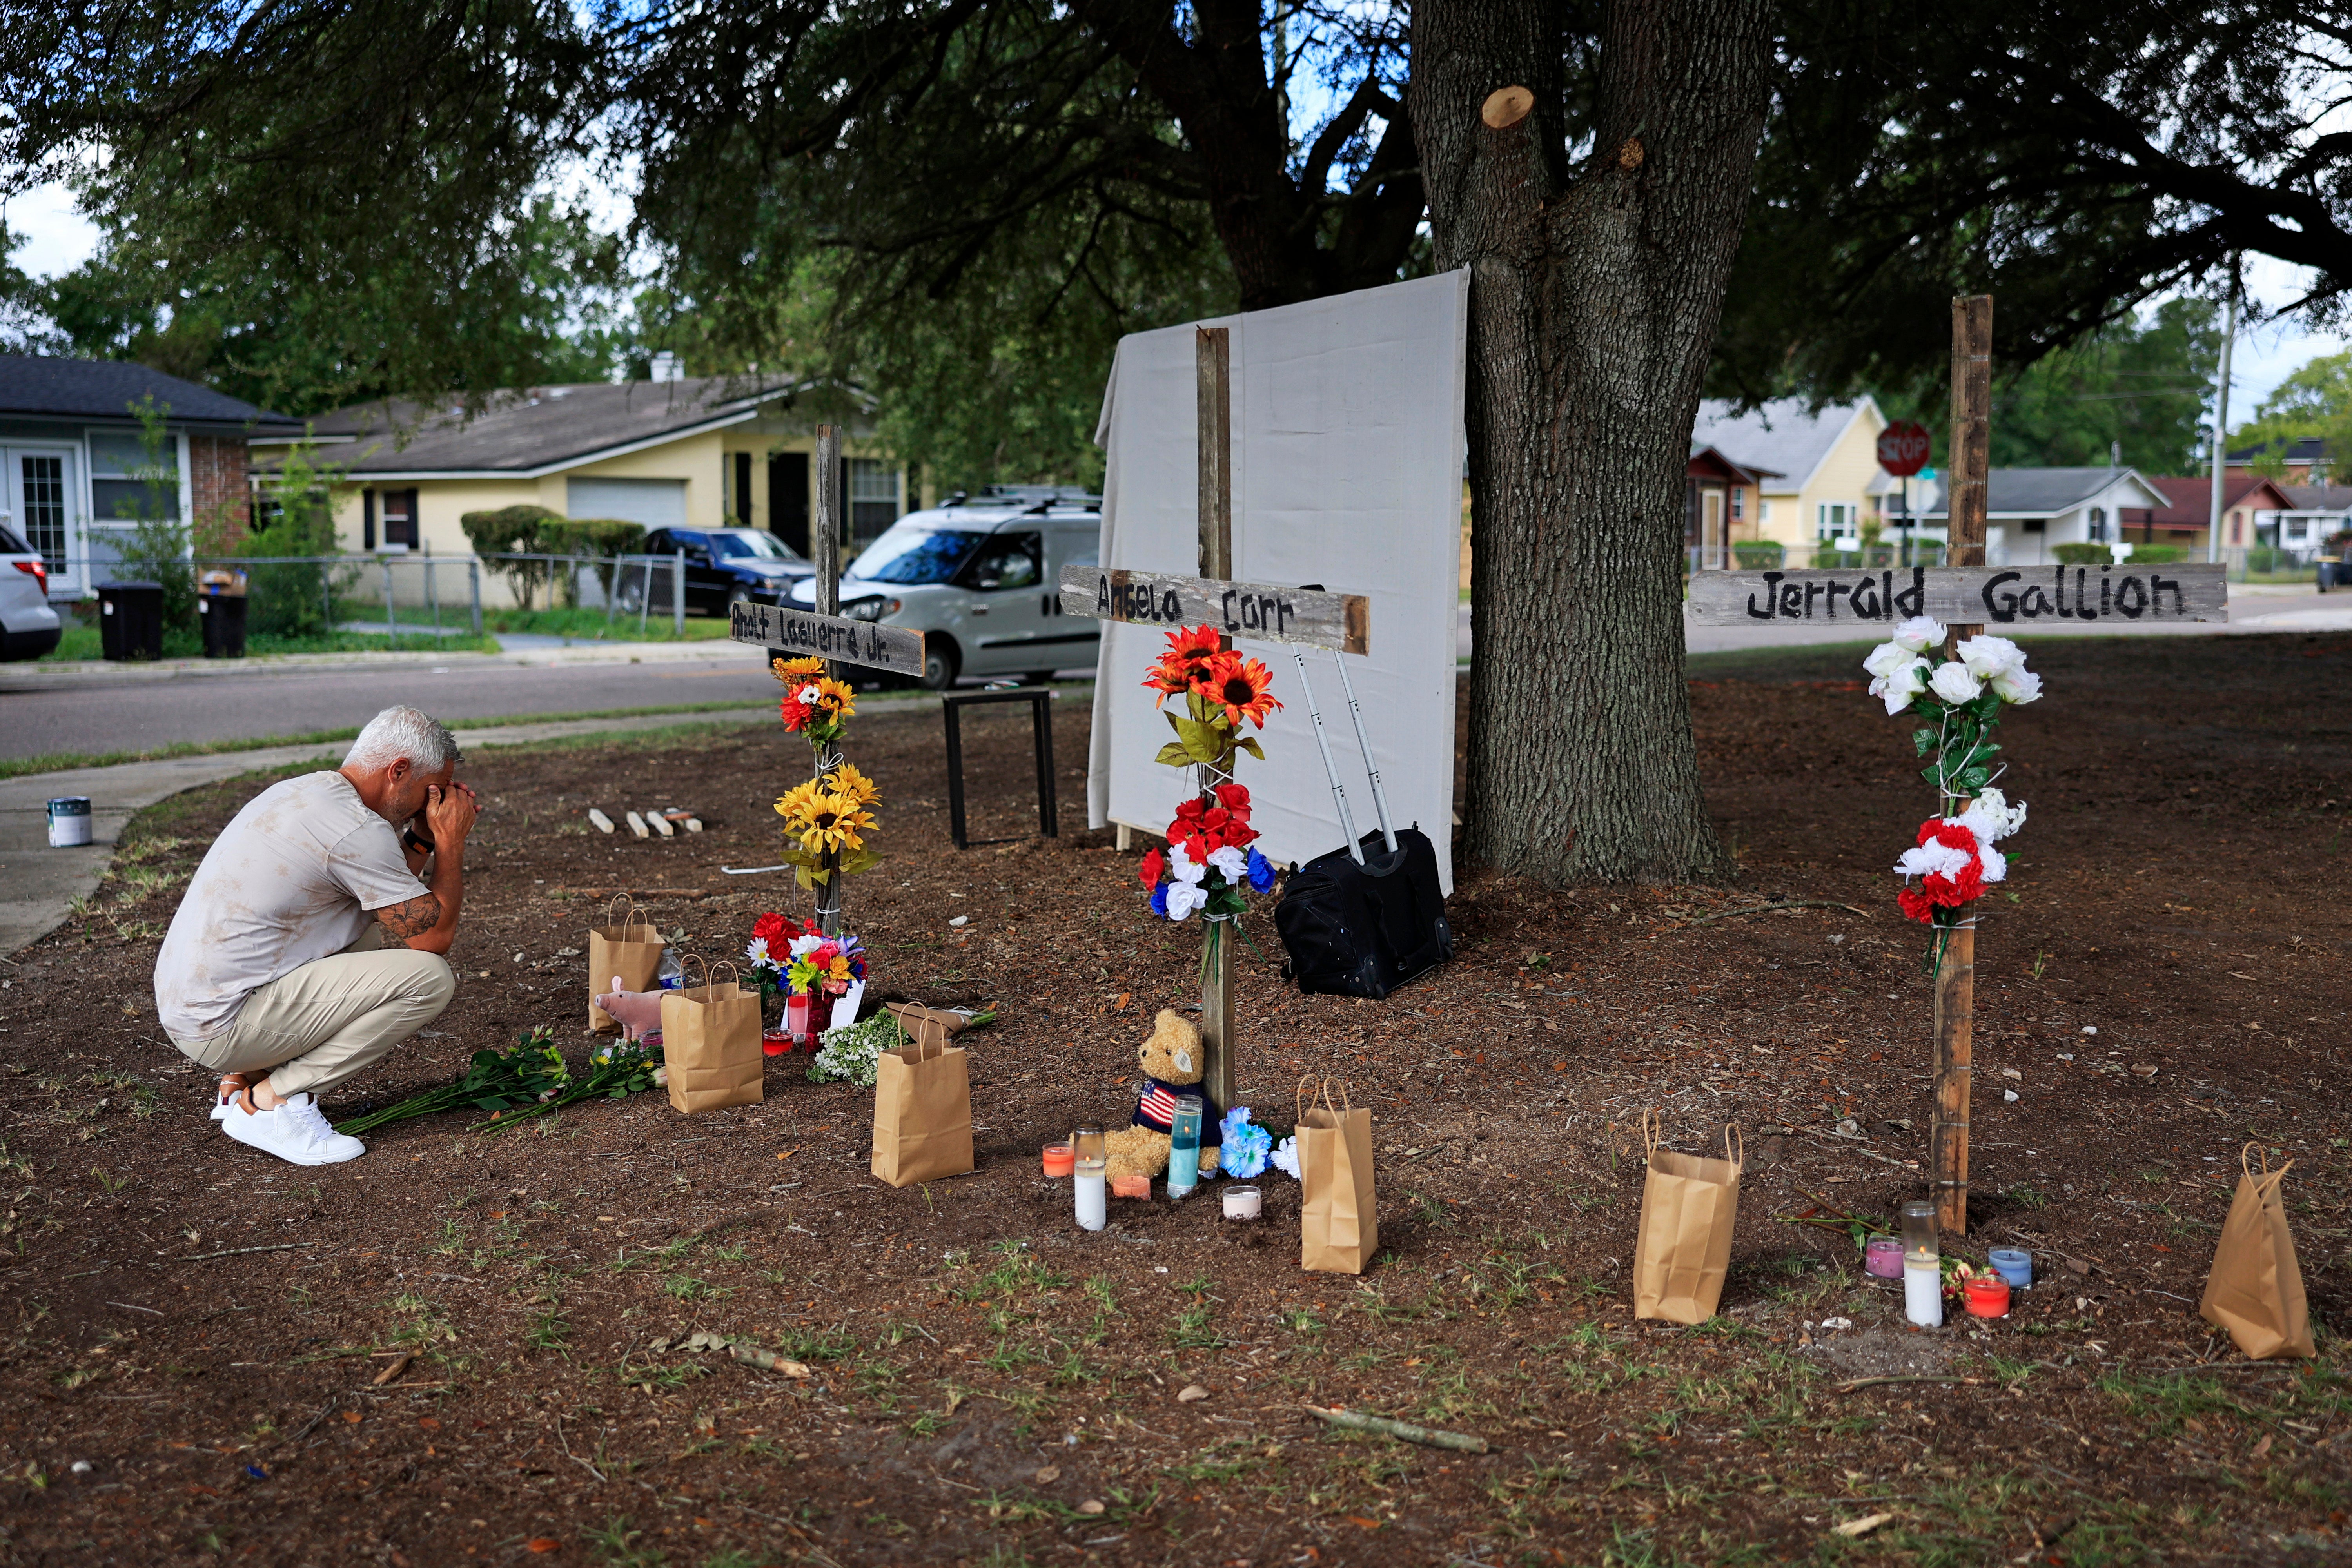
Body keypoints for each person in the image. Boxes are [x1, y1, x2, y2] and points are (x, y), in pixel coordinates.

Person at [153, 705, 479, 1165]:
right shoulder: (357, 831)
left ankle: (240, 1081)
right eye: (434, 789)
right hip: (218, 1023)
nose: (434, 802)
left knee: (363, 938)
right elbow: (429, 938)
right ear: (398, 770)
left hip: (193, 1003)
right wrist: (451, 843)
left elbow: (387, 901)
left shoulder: (305, 792)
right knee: (429, 979)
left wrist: (421, 838)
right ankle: (272, 1102)